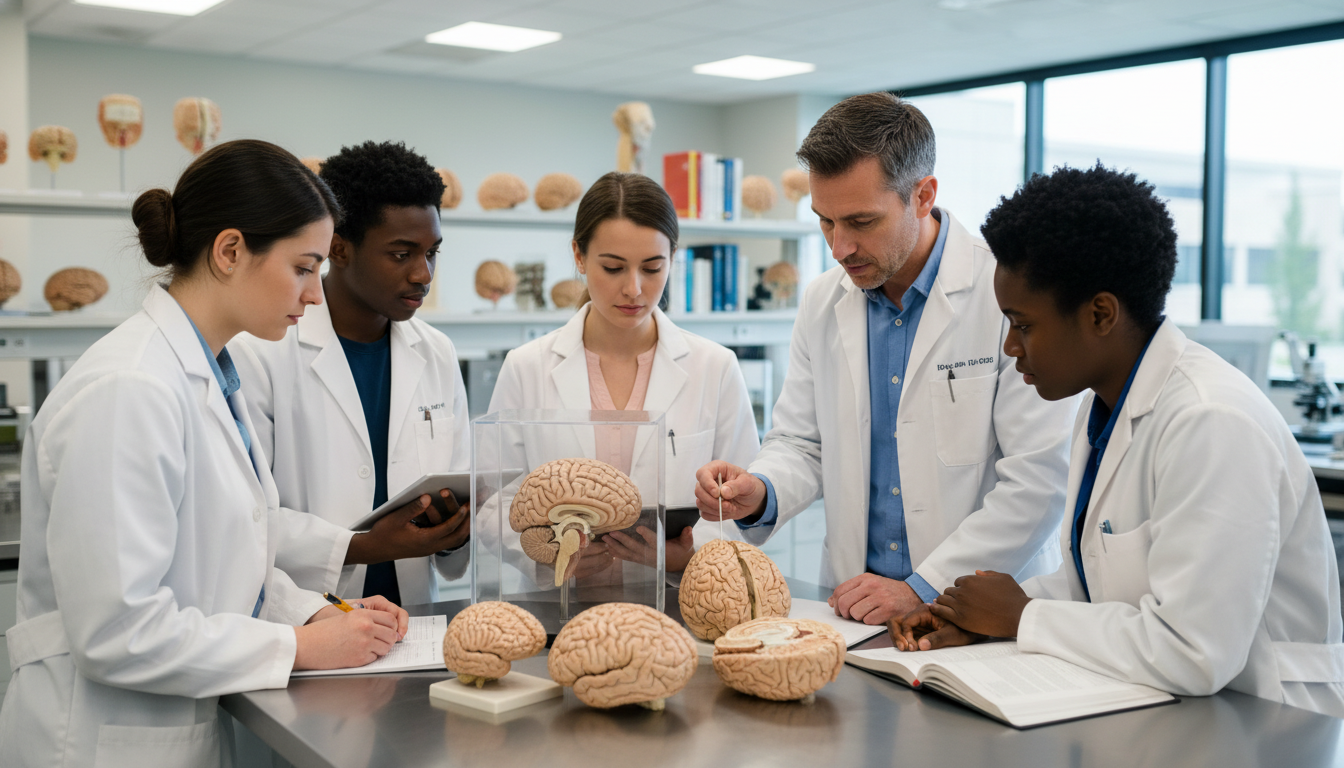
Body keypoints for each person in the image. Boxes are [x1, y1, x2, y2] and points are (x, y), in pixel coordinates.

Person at [0, 140, 410, 767]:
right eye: (303, 268)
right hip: (98, 742)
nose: (314, 295)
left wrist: (326, 614)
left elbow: (228, 563)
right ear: (229, 251)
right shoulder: (129, 388)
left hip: (175, 729)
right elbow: (117, 630)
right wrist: (299, 648)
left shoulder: (210, 373)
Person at [891, 164, 1344, 718]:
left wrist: (1020, 617)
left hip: (1268, 721)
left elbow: (1194, 650)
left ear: (1100, 314)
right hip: (1169, 708)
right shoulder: (1103, 405)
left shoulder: (1211, 421)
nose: (1010, 347)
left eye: (1023, 324)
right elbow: (1102, 590)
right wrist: (978, 615)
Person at [694, 92, 1078, 625]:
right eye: (825, 222)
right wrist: (761, 491)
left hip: (975, 610)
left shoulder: (1003, 292)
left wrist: (924, 588)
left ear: (923, 195)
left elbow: (1039, 479)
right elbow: (801, 442)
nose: (839, 247)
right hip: (853, 610)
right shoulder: (823, 300)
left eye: (861, 221)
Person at [233, 140, 471, 607]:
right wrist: (367, 546)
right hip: (308, 621)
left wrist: (455, 529)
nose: (424, 274)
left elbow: (460, 493)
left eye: (432, 253)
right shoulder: (261, 352)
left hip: (413, 621)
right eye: (401, 254)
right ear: (338, 249)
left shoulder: (437, 352)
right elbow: (246, 517)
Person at [487, 171, 760, 577]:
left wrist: (685, 556)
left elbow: (742, 504)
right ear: (579, 256)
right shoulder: (527, 367)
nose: (634, 289)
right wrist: (549, 552)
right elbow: (493, 502)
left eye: (652, 268)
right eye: (613, 267)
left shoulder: (714, 367)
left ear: (673, 258)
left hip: (677, 606)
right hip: (561, 607)